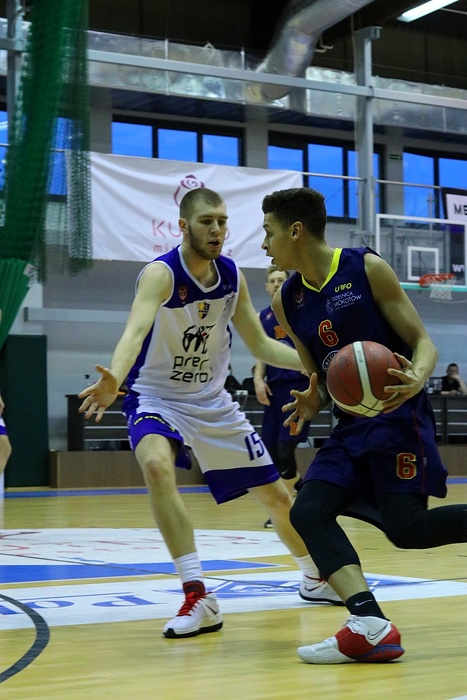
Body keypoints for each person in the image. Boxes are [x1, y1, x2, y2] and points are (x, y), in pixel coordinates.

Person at [79, 187, 341, 640]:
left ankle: (313, 576)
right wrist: (114, 378)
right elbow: (134, 332)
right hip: (156, 397)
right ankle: (197, 595)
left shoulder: (232, 276)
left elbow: (260, 345)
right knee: (156, 465)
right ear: (184, 226)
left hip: (212, 402)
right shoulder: (160, 274)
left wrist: (315, 363)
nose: (217, 229)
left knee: (278, 501)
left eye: (222, 220)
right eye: (206, 221)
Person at [260, 186, 467, 664]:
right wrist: (313, 400)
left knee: (408, 529)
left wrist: (417, 376)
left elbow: (422, 342)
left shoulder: (366, 267)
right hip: (349, 425)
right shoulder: (287, 300)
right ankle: (370, 624)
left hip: (398, 416)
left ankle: (370, 626)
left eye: (269, 232)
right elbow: (320, 375)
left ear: (296, 231)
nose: (264, 244)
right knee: (308, 510)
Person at [253, 265, 309, 528]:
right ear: (266, 286)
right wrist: (258, 378)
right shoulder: (261, 317)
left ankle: (284, 512)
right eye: (272, 280)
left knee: (286, 451)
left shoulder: (302, 311)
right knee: (274, 454)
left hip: (298, 388)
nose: (276, 284)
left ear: (288, 284)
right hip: (274, 391)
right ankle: (305, 491)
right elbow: (261, 353)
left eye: (280, 280)